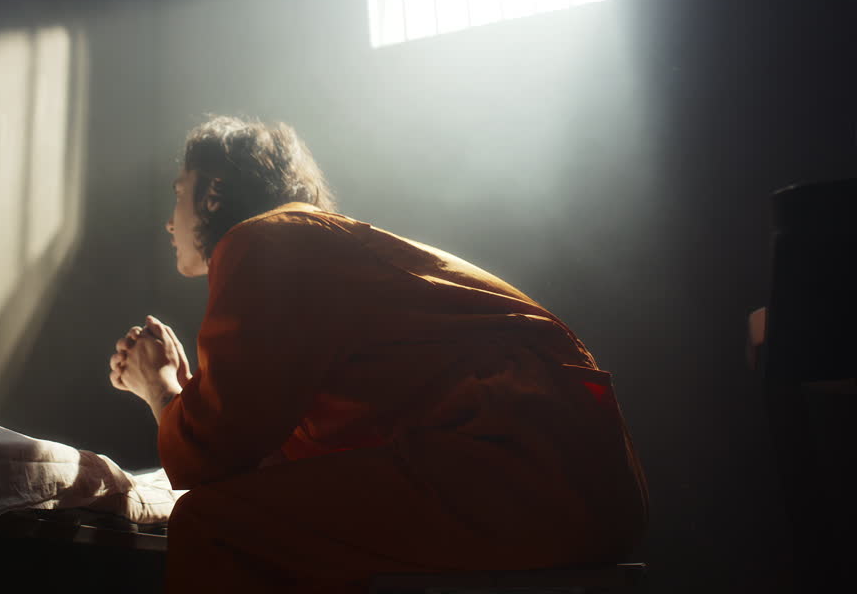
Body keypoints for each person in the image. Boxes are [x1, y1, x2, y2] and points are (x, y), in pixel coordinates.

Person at [108, 117, 648, 593]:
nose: (168, 221)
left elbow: (211, 457)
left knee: (214, 526)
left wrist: (159, 387)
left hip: (526, 473)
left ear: (213, 193)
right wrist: (189, 395)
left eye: (179, 192)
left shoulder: (266, 241)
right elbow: (255, 458)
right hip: (567, 480)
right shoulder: (303, 245)